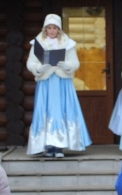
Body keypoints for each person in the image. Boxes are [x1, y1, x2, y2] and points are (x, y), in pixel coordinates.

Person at [26, 13, 92, 157]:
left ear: (59, 29)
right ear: (45, 29)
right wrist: (39, 68)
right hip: (46, 83)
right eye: (49, 28)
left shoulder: (67, 43)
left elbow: (76, 63)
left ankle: (60, 147)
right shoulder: (38, 43)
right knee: (47, 111)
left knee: (62, 111)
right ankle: (48, 146)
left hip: (62, 83)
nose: (52, 31)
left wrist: (67, 65)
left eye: (54, 28)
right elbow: (30, 63)